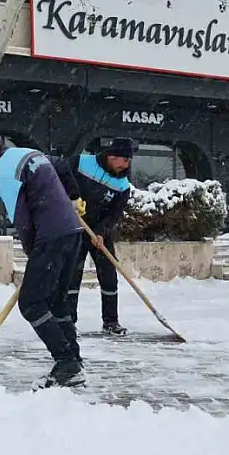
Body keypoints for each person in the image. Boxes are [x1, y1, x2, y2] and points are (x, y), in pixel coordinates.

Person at [0, 130, 87, 389]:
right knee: (56, 301)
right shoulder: (30, 154)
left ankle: (66, 362)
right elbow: (63, 167)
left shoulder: (3, 174)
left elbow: (21, 219)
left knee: (31, 303)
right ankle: (74, 362)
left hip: (51, 235)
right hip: (73, 232)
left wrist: (35, 255)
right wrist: (73, 197)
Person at [58, 138, 135, 335]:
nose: (126, 165)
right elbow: (59, 178)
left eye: (128, 161)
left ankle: (111, 321)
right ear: (111, 156)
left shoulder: (123, 185)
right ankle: (68, 320)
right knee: (72, 274)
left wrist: (102, 232)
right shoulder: (81, 162)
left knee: (109, 274)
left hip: (99, 232)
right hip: (74, 227)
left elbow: (115, 213)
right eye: (123, 160)